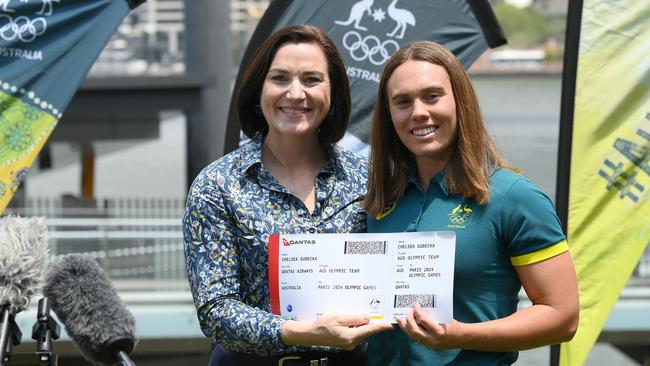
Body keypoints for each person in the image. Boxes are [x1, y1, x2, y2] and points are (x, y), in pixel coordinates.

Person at [182, 24, 392, 366]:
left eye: (311, 79)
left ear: (333, 92)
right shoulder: (217, 185)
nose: (295, 93)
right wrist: (297, 331)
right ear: (258, 88)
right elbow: (214, 310)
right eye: (280, 78)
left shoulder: (367, 179)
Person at [364, 41, 579, 365]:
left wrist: (459, 335)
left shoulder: (514, 197)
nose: (418, 112)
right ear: (389, 114)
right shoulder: (378, 199)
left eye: (432, 96)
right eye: (402, 101)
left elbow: (562, 317)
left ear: (460, 100)